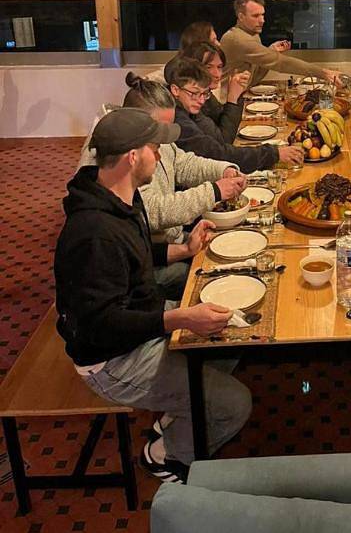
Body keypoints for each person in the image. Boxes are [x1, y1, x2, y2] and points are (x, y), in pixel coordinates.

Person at [55, 108, 252, 482]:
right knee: (235, 404)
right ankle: (165, 454)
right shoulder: (94, 233)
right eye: (154, 148)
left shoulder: (120, 196)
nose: (160, 156)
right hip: (111, 360)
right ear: (133, 157)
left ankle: (179, 408)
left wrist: (184, 250)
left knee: (234, 335)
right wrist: (177, 318)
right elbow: (101, 325)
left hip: (143, 321)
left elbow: (138, 257)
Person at [79, 74, 247, 298]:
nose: (163, 143)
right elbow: (153, 212)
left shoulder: (151, 143)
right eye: (159, 133)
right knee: (206, 279)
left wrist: (223, 170)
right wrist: (215, 191)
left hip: (164, 247)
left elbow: (183, 163)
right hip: (146, 264)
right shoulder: (119, 167)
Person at [168, 56, 303, 170]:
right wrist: (273, 153)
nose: (201, 100)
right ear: (175, 90)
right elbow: (218, 153)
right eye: (194, 93)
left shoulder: (187, 106)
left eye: (204, 93)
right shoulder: (176, 119)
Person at [219, 0, 343, 88]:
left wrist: (271, 51)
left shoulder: (252, 34)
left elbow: (256, 74)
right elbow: (282, 63)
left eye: (262, 15)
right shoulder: (238, 39)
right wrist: (324, 73)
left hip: (239, 96)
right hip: (225, 104)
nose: (262, 20)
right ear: (241, 16)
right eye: (256, 16)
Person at [180, 41, 250, 144]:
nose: (217, 74)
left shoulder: (206, 93)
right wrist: (232, 98)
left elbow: (223, 122)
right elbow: (223, 141)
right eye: (208, 67)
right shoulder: (190, 100)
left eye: (219, 67)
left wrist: (237, 93)